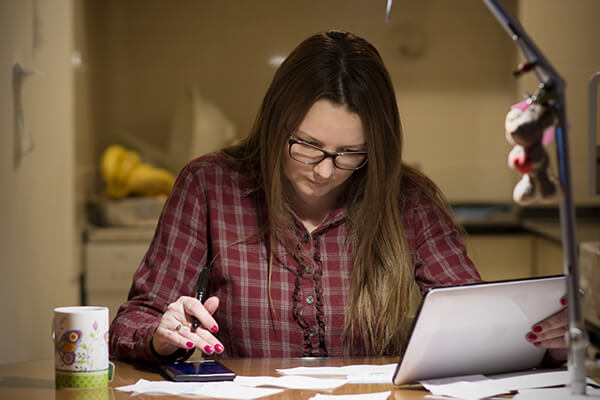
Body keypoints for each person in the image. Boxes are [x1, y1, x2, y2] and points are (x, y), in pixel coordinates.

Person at [109, 30, 567, 363]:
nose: (325, 170)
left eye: (350, 154)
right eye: (306, 145)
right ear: (274, 125)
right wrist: (160, 333)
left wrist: (544, 343)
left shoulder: (408, 199)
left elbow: (473, 318)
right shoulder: (209, 184)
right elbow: (132, 322)